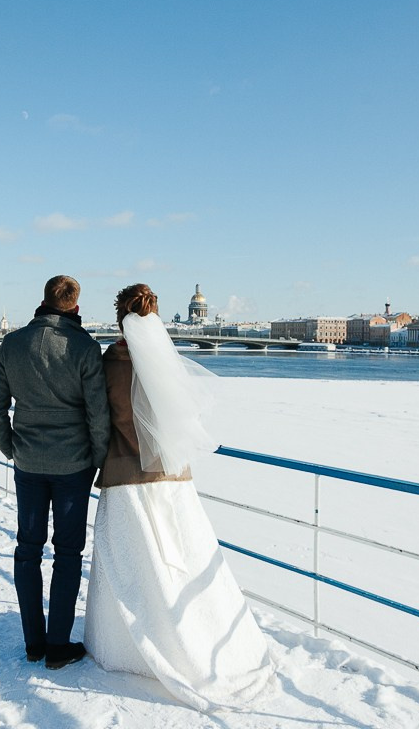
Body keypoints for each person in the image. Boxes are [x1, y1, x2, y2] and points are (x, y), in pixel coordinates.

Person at [84, 284, 277, 711]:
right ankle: (202, 635)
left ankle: (125, 646)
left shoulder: (111, 363)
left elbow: (101, 420)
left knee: (129, 562)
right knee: (184, 558)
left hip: (124, 474)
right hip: (172, 477)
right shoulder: (165, 359)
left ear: (119, 318)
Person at [0, 275, 111, 670]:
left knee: (27, 550)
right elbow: (98, 415)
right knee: (68, 553)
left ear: (42, 300)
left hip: (28, 463)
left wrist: (11, 447)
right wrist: (99, 459)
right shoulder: (86, 348)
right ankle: (58, 645)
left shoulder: (13, 344)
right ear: (75, 307)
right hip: (73, 465)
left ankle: (33, 644)